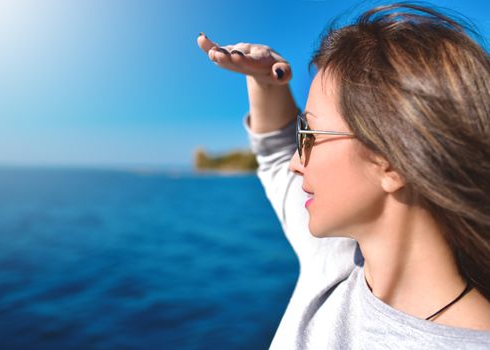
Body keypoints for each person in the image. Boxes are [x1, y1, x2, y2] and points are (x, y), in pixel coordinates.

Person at [197, 2, 490, 349]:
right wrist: (265, 82)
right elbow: (275, 154)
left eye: (309, 135)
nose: (295, 161)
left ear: (392, 160)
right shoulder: (336, 258)